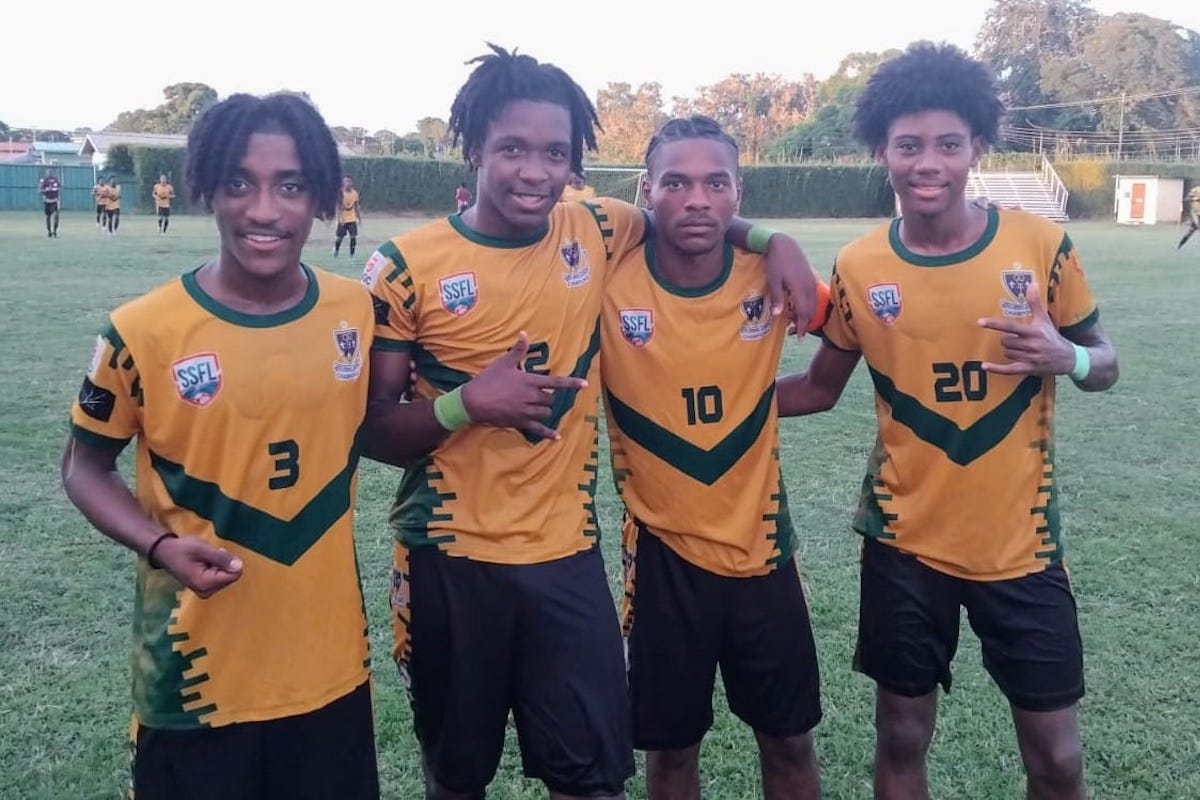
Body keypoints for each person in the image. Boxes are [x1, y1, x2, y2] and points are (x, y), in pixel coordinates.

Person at [360, 44, 815, 800]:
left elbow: (695, 208)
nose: (534, 172)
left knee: (594, 778)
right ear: (473, 146)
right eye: (512, 149)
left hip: (566, 557)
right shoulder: (403, 265)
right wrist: (465, 403)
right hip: (445, 556)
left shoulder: (598, 229)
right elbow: (372, 430)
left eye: (555, 154)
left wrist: (774, 240)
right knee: (456, 774)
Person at [775, 42, 1119, 800]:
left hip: (1020, 545)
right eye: (909, 145)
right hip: (905, 545)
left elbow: (1106, 362)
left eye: (947, 144)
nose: (927, 163)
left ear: (977, 149)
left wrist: (1070, 357)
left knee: (1057, 758)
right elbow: (821, 388)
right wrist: (709, 405)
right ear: (882, 152)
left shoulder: (1041, 247)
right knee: (900, 737)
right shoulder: (861, 267)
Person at [61, 91, 380, 800]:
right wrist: (158, 546)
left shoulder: (353, 310)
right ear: (207, 187)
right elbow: (84, 467)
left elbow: (382, 424)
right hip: (195, 682)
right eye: (239, 183)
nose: (263, 210)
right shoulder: (140, 332)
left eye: (290, 186)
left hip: (330, 671)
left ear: (321, 195)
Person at [603, 115, 828, 800]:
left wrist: (775, 239)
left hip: (763, 554)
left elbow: (835, 362)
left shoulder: (771, 273)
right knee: (670, 756)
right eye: (675, 182)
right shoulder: (606, 277)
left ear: (738, 191)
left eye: (715, 183)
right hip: (663, 558)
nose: (696, 199)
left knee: (789, 744)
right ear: (647, 190)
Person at [334, 175, 361, 258]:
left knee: (353, 237)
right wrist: (340, 218)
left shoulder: (355, 193)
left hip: (352, 218)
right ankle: (336, 250)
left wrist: (359, 218)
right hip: (343, 219)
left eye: (349, 181)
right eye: (346, 181)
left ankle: (352, 255)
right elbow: (338, 207)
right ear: (343, 183)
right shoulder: (340, 193)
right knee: (339, 238)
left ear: (352, 183)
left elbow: (356, 206)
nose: (348, 183)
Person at [39, 167, 62, 238]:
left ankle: (55, 231)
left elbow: (60, 187)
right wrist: (47, 190)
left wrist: (56, 189)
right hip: (47, 201)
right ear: (46, 173)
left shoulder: (56, 179)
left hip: (55, 200)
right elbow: (40, 190)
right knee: (48, 217)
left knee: (56, 215)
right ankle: (49, 232)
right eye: (48, 172)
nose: (50, 173)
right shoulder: (44, 181)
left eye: (51, 172)